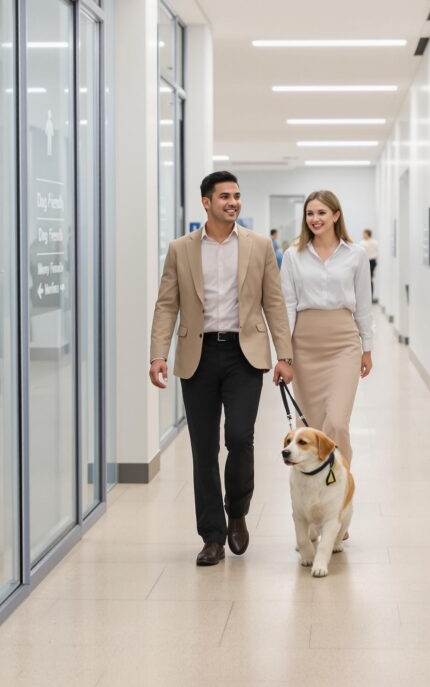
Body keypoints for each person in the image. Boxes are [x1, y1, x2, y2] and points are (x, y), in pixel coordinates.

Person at [149, 170, 294, 567]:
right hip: (197, 356)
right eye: (225, 196)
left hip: (243, 354)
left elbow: (274, 303)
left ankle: (238, 513)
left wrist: (285, 355)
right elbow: (167, 304)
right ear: (206, 202)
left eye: (237, 195)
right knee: (203, 449)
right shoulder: (181, 249)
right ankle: (211, 535)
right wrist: (157, 354)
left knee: (240, 438)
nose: (233, 202)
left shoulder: (259, 246)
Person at [280, 191, 373, 465]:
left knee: (336, 421)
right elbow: (287, 305)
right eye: (310, 213)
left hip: (343, 343)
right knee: (310, 425)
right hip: (304, 346)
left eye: (321, 213)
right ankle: (314, 485)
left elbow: (364, 305)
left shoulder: (356, 254)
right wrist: (284, 355)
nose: (315, 219)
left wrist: (367, 348)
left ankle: (339, 478)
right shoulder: (292, 255)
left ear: (336, 215)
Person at [360, 229, 379, 302]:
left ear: (368, 234)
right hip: (365, 262)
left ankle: (370, 297)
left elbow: (376, 252)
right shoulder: (362, 242)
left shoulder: (374, 242)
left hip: (371, 261)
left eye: (364, 234)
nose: (363, 235)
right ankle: (365, 297)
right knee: (365, 280)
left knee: (370, 279)